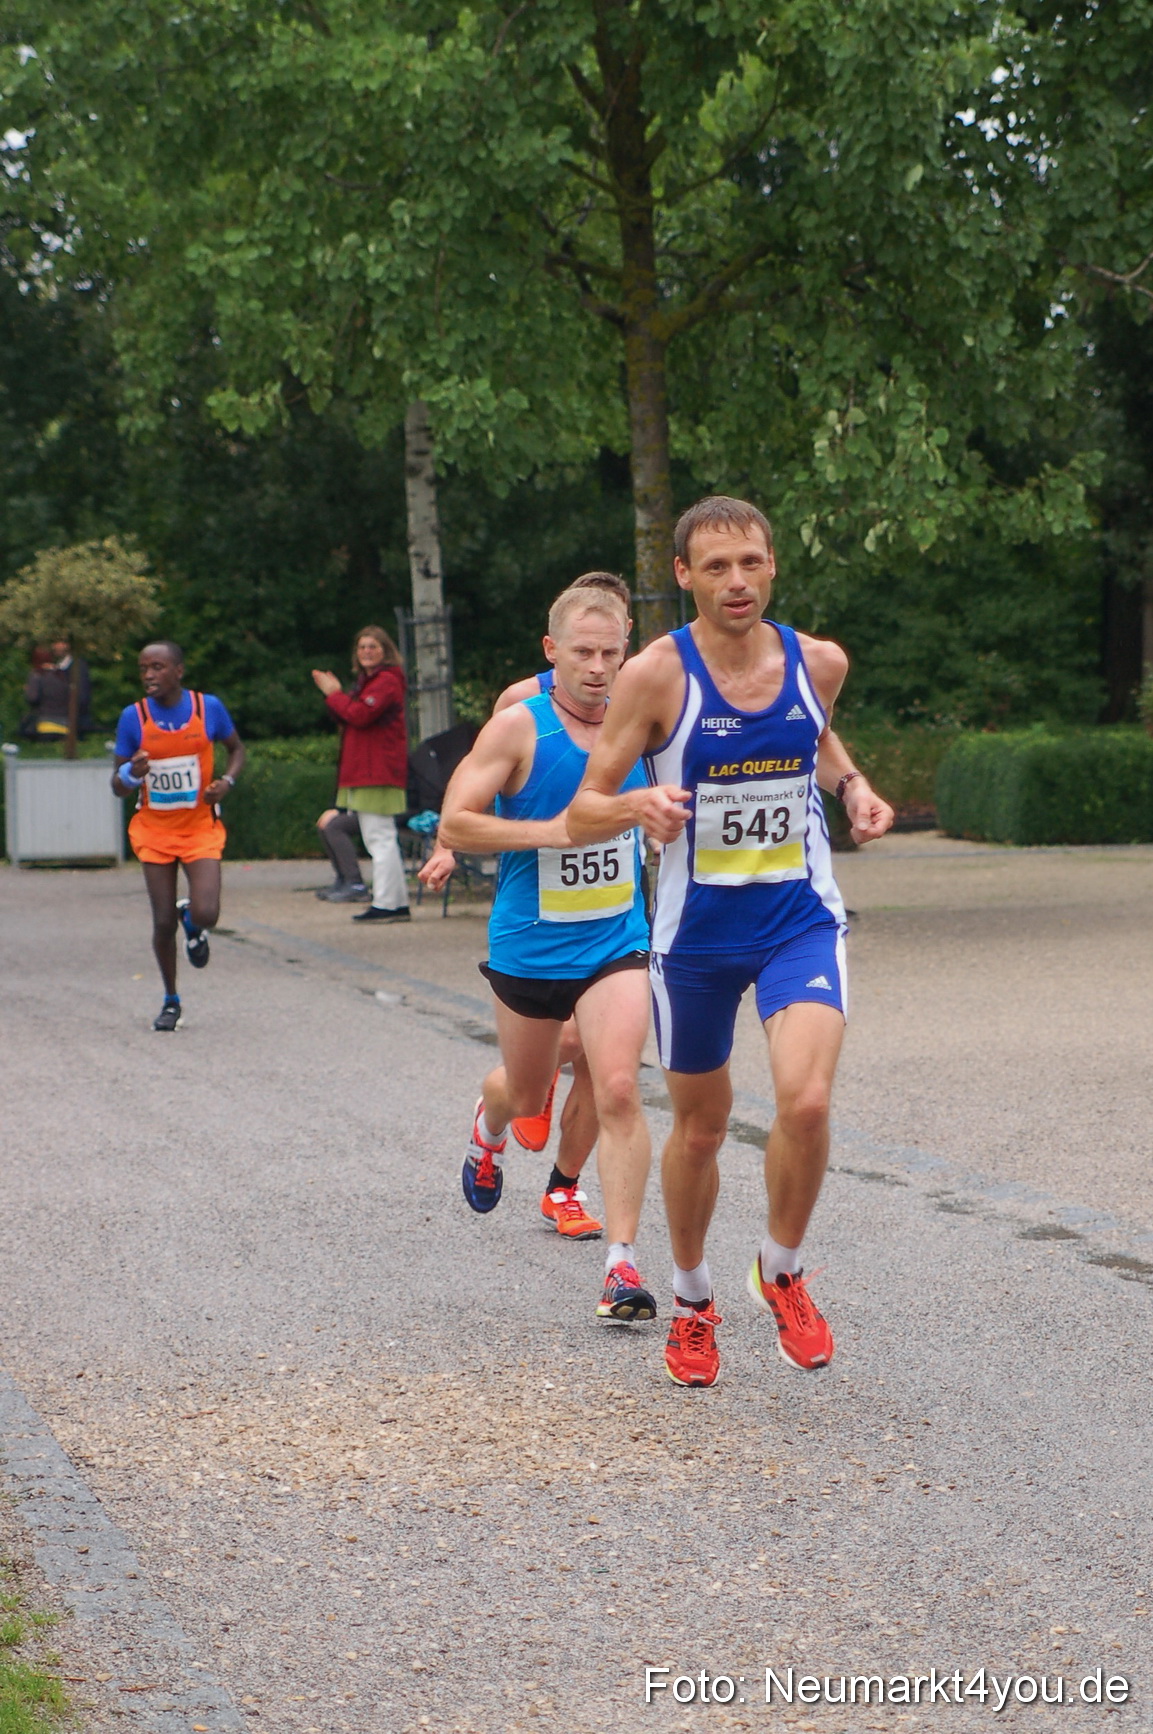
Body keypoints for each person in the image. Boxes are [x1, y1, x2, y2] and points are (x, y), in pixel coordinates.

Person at [568, 496, 894, 1386]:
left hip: (798, 918)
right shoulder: (653, 676)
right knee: (704, 1131)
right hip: (696, 939)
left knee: (808, 1100)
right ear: (682, 577)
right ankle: (691, 1296)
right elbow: (584, 806)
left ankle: (780, 1271)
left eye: (749, 562)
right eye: (714, 567)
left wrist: (853, 787)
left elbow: (815, 734)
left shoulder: (817, 661)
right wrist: (636, 804)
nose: (736, 581)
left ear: (772, 564)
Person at [438, 580, 656, 1316]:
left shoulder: (645, 724)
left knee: (619, 1081)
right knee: (525, 1093)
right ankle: (489, 1121)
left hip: (616, 939)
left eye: (610, 653)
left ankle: (622, 1265)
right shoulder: (518, 726)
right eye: (583, 653)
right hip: (530, 948)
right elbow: (456, 824)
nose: (597, 667)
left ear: (626, 651)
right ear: (551, 652)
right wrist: (553, 832)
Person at [112, 640, 245, 1032]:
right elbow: (116, 784)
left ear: (178, 671)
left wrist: (227, 782)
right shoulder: (133, 717)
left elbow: (236, 749)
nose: (149, 675)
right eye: (143, 669)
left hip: (199, 828)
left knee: (208, 913)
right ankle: (171, 1000)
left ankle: (194, 920)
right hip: (153, 831)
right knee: (161, 920)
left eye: (157, 667)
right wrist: (130, 775)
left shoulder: (209, 709)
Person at [311, 626, 410, 924]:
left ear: (386, 651)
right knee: (379, 838)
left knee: (379, 839)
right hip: (368, 771)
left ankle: (388, 904)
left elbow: (359, 716)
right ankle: (395, 902)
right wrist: (340, 698)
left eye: (373, 647)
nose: (366, 651)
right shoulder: (370, 682)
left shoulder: (387, 681)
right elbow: (351, 715)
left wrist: (334, 694)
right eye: (362, 647)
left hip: (376, 772)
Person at [20, 639, 93, 739]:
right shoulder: (61, 675)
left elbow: (33, 698)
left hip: (45, 723)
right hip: (66, 723)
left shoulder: (38, 676)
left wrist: (28, 690)